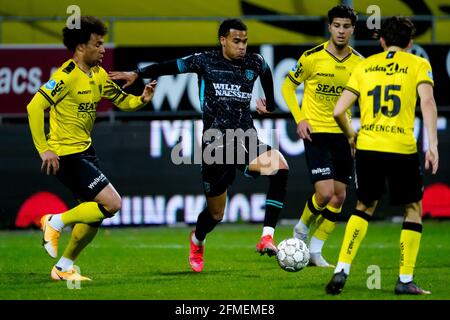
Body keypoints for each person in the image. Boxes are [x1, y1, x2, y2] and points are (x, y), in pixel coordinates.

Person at [109, 18, 289, 272]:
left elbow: (267, 71)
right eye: (236, 41)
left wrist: (269, 104)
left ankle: (267, 237)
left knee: (280, 167)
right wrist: (138, 74)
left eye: (245, 41)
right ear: (222, 40)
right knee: (216, 214)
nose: (242, 47)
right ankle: (197, 239)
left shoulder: (254, 62)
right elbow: (170, 66)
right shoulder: (205, 61)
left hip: (245, 140)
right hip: (215, 146)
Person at [27, 16, 156, 281]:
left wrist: (142, 99)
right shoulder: (65, 76)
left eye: (103, 44)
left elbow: (122, 101)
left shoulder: (98, 75)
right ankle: (55, 221)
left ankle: (63, 268)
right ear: (81, 47)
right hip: (66, 155)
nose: (103, 49)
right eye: (97, 44)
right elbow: (34, 107)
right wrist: (44, 149)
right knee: (112, 203)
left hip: (86, 151)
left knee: (93, 218)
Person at [325, 16, 438, 295]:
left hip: (368, 146)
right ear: (410, 43)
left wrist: (352, 135)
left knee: (363, 207)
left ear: (382, 40)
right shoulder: (418, 64)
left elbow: (338, 111)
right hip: (401, 148)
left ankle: (341, 269)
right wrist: (432, 144)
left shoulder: (364, 66)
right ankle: (404, 279)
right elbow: (427, 102)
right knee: (412, 209)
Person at [281, 5, 363, 267]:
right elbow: (287, 85)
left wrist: (356, 133)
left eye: (346, 26)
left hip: (343, 136)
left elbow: (366, 100)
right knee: (325, 193)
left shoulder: (359, 64)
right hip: (316, 131)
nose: (341, 31)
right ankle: (302, 228)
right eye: (336, 25)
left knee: (340, 197)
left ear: (352, 29)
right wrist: (300, 117)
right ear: (329, 27)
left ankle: (315, 251)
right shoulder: (312, 57)